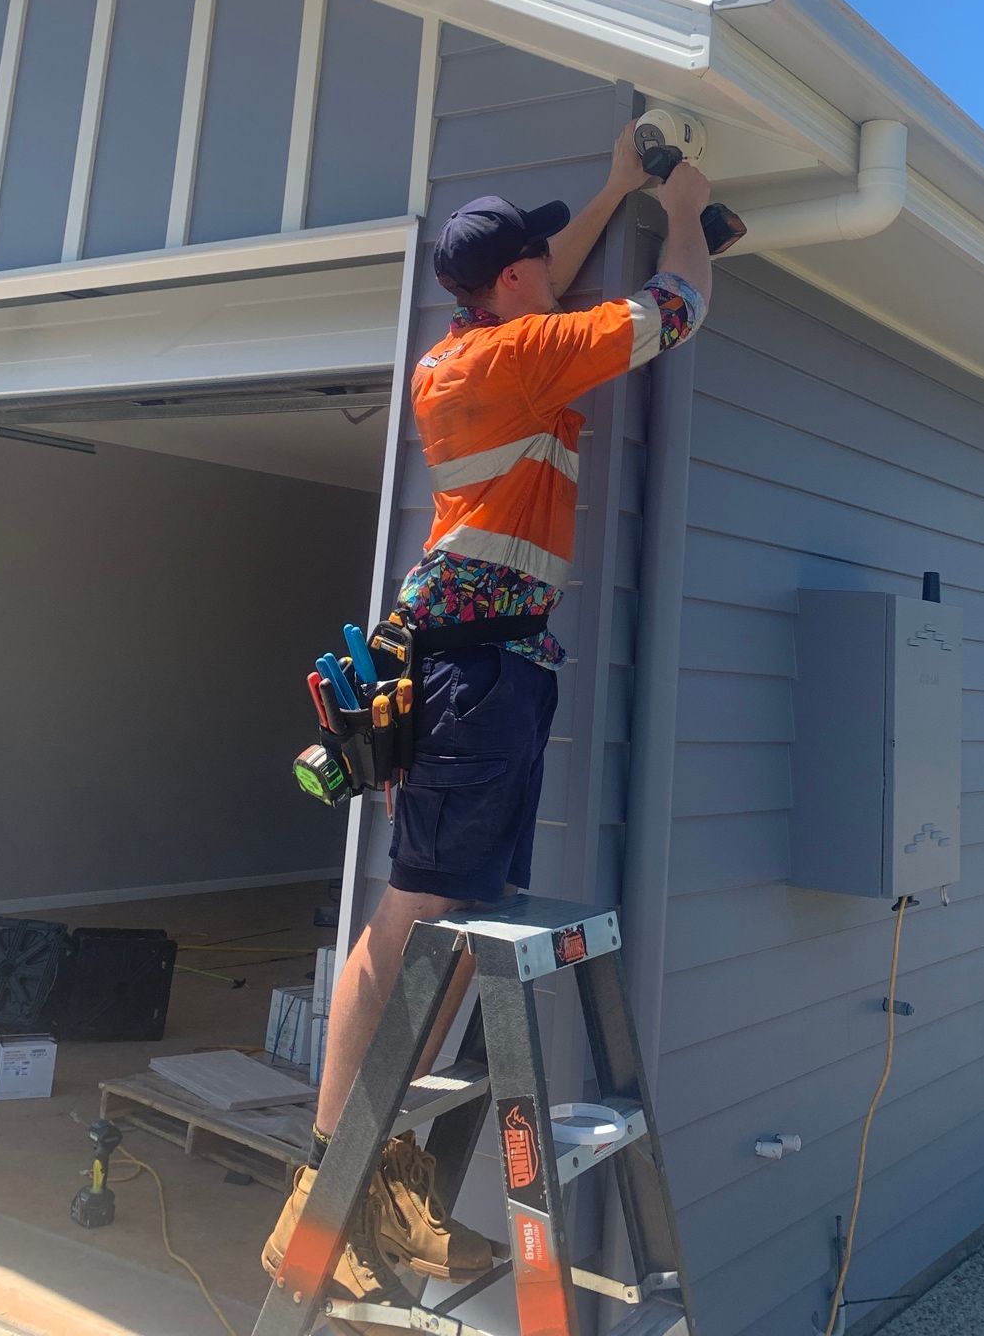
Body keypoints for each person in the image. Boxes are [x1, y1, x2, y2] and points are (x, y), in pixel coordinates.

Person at [262, 122, 714, 1306]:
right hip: (472, 674)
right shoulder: (520, 359)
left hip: (491, 666)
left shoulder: (467, 350)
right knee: (413, 913)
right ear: (511, 283)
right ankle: (326, 1186)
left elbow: (543, 281)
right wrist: (687, 212)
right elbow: (674, 308)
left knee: (455, 916)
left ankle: (388, 1179)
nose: (545, 276)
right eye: (533, 268)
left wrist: (617, 179)